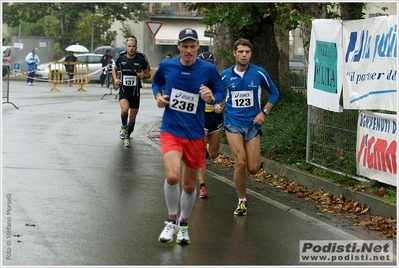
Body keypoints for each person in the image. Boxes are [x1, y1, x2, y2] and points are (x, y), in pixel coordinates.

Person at [152, 28, 225, 244]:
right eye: (185, 46)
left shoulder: (207, 69)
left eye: (192, 47)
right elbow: (157, 82)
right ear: (179, 47)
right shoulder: (167, 66)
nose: (188, 50)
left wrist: (211, 97)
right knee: (172, 176)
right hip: (171, 130)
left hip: (194, 133)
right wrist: (158, 96)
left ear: (197, 48)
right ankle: (171, 220)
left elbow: (220, 90)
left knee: (189, 186)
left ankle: (184, 224)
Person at [221, 38, 280, 216]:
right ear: (234, 53)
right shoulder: (224, 75)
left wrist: (264, 112)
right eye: (240, 51)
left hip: (253, 124)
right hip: (232, 122)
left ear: (250, 54)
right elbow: (217, 94)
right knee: (240, 162)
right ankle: (242, 201)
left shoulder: (259, 73)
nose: (244, 55)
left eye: (247, 52)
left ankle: (244, 180)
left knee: (253, 169)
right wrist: (218, 104)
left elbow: (275, 93)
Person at [112, 39, 151, 148]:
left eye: (133, 46)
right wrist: (115, 80)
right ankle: (123, 126)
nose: (131, 48)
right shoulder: (121, 59)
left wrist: (143, 75)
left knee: (132, 118)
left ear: (136, 48)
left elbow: (148, 74)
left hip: (135, 92)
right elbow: (114, 69)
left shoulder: (141, 60)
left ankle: (127, 136)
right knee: (124, 110)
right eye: (129, 46)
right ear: (126, 48)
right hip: (124, 90)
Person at [197, 51, 225, 198]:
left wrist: (221, 105)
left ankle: (207, 149)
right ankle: (202, 187)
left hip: (215, 118)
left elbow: (225, 96)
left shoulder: (218, 79)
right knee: (201, 153)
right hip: (201, 118)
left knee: (213, 155)